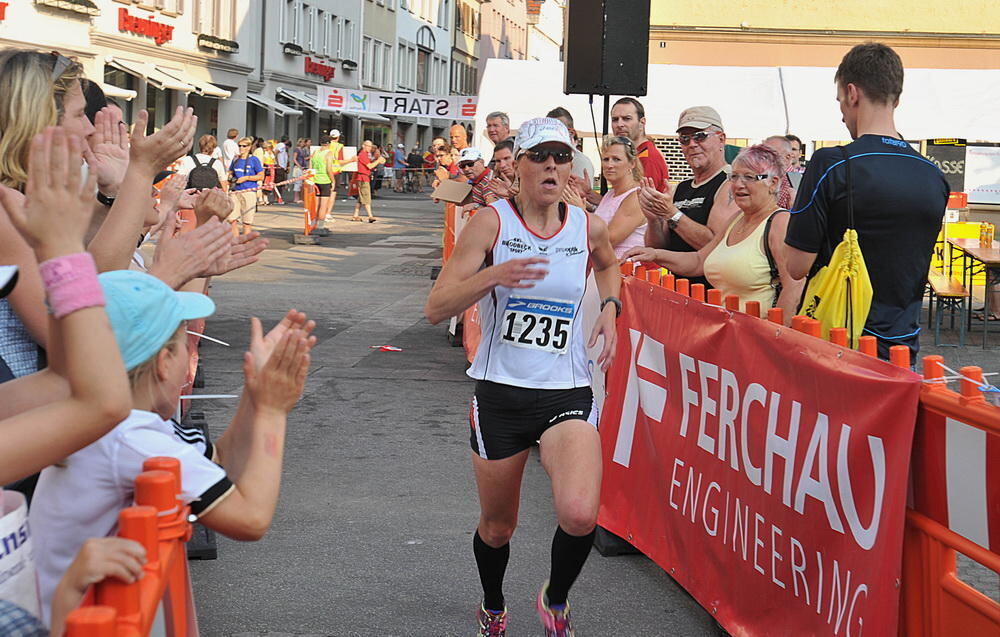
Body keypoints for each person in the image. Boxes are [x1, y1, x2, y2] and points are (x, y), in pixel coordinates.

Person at [424, 117, 620, 637]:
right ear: (520, 169)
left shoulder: (586, 225)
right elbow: (435, 305)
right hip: (501, 396)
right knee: (497, 527)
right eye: (540, 157)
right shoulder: (492, 224)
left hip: (567, 392)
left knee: (580, 514)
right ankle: (492, 602)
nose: (552, 166)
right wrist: (493, 274)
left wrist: (611, 307)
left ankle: (555, 599)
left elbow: (607, 264)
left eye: (561, 156)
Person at [29, 270, 313, 622]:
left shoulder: (125, 427)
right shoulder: (132, 441)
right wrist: (273, 412)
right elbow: (250, 518)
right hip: (85, 623)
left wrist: (255, 396)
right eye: (184, 344)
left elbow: (220, 463)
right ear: (164, 363)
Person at [784, 42, 949, 359]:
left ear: (852, 93)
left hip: (840, 341)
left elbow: (795, 265)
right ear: (896, 98)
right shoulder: (934, 176)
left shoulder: (832, 163)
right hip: (903, 346)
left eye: (840, 102)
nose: (843, 114)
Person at [625, 145, 804, 321]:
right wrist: (654, 254)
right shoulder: (736, 219)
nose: (739, 185)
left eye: (749, 177)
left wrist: (774, 337)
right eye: (734, 177)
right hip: (726, 335)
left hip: (757, 339)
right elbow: (699, 261)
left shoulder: (779, 222)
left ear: (772, 183)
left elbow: (794, 288)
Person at [640, 105, 740, 288]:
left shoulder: (731, 183)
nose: (692, 144)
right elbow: (658, 249)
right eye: (685, 139)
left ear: (721, 139)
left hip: (714, 296)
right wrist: (653, 219)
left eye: (700, 136)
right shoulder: (681, 188)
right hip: (681, 293)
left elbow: (716, 246)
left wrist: (672, 214)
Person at [594, 136, 646, 259]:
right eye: (605, 159)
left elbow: (608, 240)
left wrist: (581, 211)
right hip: (608, 270)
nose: (609, 165)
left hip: (628, 273)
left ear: (632, 163)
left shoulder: (636, 197)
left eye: (616, 159)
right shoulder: (610, 194)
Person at [610, 97, 669, 191]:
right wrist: (589, 194)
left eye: (627, 119)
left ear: (642, 122)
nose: (619, 124)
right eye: (615, 119)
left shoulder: (647, 158)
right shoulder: (635, 154)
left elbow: (638, 203)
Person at [547, 106, 598, 209]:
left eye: (557, 130)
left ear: (571, 133)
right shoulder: (546, 158)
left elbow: (573, 201)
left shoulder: (580, 162)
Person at [228, 136, 264, 234]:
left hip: (249, 191)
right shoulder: (235, 159)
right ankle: (235, 242)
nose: (241, 148)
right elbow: (230, 172)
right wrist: (230, 177)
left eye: (244, 146)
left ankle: (246, 243)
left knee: (247, 221)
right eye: (239, 146)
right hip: (235, 191)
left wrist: (246, 178)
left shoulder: (254, 160)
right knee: (232, 219)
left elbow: (261, 176)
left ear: (249, 147)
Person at [351, 140, 385, 223]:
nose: (370, 148)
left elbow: (369, 165)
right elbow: (369, 166)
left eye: (371, 146)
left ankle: (355, 215)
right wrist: (378, 161)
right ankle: (370, 216)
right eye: (369, 146)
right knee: (366, 197)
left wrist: (377, 160)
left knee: (361, 197)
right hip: (363, 178)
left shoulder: (365, 155)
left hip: (364, 177)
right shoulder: (362, 154)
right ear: (363, 146)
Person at [762, 135, 797, 208]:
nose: (765, 156)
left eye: (771, 153)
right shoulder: (764, 176)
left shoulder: (793, 181)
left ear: (788, 156)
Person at [458, 148, 496, 212]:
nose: (466, 169)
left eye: (470, 164)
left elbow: (494, 211)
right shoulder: (477, 181)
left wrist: (476, 206)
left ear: (481, 162)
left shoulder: (488, 181)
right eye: (463, 166)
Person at [291, 137, 310, 203]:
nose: (304, 144)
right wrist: (299, 166)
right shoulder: (297, 149)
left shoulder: (301, 150)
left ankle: (298, 198)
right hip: (298, 168)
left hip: (302, 167)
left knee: (300, 183)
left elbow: (303, 159)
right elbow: (294, 158)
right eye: (303, 142)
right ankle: (296, 198)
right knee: (297, 183)